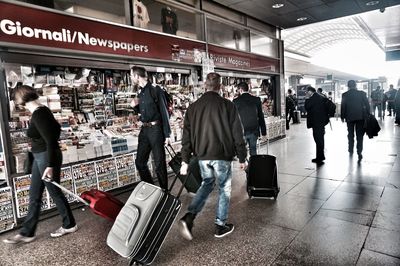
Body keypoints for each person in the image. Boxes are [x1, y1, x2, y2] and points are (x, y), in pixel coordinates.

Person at [4, 85, 77, 245]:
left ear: (21, 101)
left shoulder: (39, 114)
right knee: (34, 194)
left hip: (46, 158)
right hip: (40, 157)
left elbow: (51, 140)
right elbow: (55, 130)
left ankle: (69, 224)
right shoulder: (42, 111)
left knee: (54, 192)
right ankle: (27, 233)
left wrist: (50, 165)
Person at [178, 72, 247, 240]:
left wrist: (185, 160)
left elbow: (186, 135)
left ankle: (189, 217)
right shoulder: (227, 105)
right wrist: (242, 157)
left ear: (205, 86)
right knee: (224, 188)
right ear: (220, 86)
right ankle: (220, 225)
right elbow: (238, 132)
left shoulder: (193, 107)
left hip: (202, 155)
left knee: (207, 183)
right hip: (222, 155)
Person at [130, 66, 171, 190]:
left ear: (137, 76)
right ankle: (151, 188)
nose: (131, 78)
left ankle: (164, 192)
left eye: (132, 75)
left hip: (156, 129)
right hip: (145, 130)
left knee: (159, 164)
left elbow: (164, 112)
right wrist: (135, 107)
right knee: (140, 162)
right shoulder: (140, 92)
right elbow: (145, 112)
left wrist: (167, 134)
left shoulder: (155, 90)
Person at [233, 82, 266, 156]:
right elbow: (261, 116)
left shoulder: (235, 101)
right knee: (253, 150)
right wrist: (264, 132)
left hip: (241, 132)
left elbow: (234, 119)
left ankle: (244, 164)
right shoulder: (256, 100)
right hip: (254, 130)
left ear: (240, 90)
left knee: (242, 152)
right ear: (248, 89)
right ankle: (253, 166)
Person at [341, 80, 370, 161]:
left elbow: (343, 106)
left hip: (349, 117)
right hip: (360, 117)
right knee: (359, 135)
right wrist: (368, 114)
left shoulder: (345, 95)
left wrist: (342, 117)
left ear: (348, 86)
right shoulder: (362, 93)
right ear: (355, 85)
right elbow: (367, 104)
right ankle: (359, 151)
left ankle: (350, 149)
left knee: (350, 134)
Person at [305, 86, 329, 165]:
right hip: (321, 122)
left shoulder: (313, 98)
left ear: (310, 92)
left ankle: (320, 157)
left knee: (318, 139)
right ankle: (320, 156)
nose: (306, 93)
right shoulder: (321, 97)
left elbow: (307, 107)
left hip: (316, 122)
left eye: (306, 92)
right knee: (320, 139)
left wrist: (307, 98)